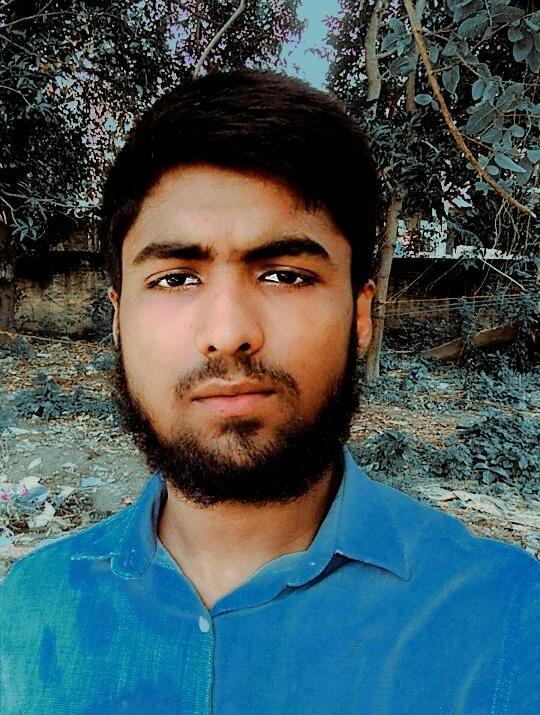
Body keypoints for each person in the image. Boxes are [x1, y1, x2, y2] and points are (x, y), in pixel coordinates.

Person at [0, 70, 538, 715]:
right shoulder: (28, 608)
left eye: (284, 275)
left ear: (360, 315)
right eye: (175, 279)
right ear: (117, 320)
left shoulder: (508, 621)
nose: (228, 334)